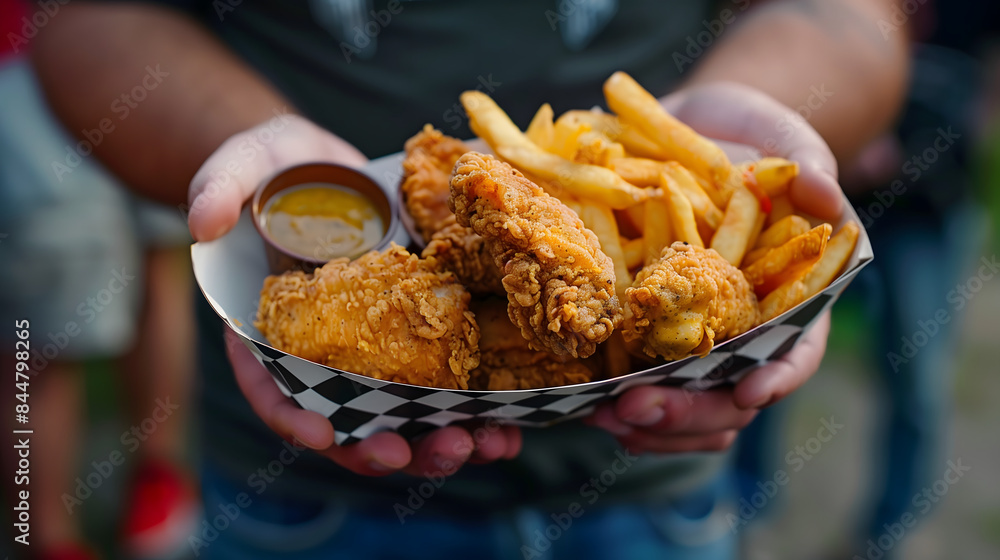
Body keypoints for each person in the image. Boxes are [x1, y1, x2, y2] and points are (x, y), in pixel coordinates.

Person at [29, 0, 908, 557]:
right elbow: (77, 20)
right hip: (295, 498)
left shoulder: (624, 266)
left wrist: (762, 122)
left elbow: (853, 16)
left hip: (653, 504)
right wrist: (233, 148)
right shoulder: (455, 211)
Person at [0, 17, 200, 559]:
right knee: (42, 335)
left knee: (163, 263)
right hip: (21, 65)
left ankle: (158, 483)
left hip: (153, 47)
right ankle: (46, 536)